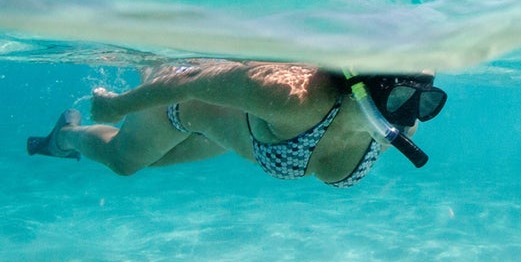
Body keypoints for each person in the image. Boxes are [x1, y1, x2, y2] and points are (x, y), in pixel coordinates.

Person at [26, 60, 445, 187]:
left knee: (151, 162)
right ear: (362, 88)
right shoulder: (294, 97)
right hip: (183, 103)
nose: (410, 115)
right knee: (125, 161)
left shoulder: (403, 125)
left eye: (427, 103)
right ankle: (64, 136)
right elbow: (190, 81)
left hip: (233, 131)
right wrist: (117, 107)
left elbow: (406, 111)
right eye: (400, 98)